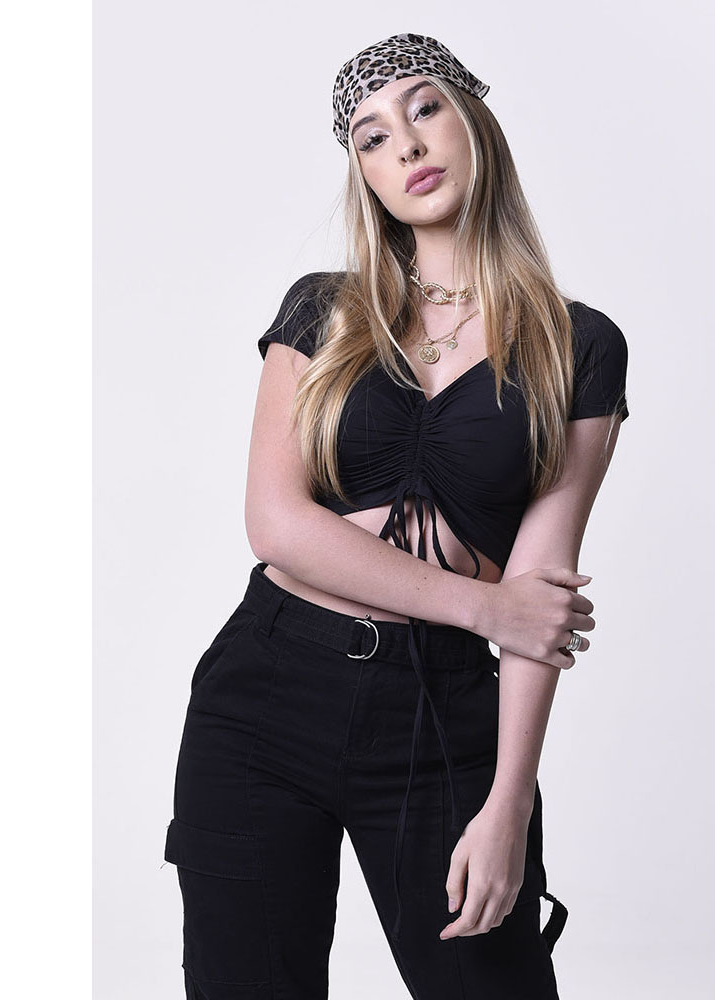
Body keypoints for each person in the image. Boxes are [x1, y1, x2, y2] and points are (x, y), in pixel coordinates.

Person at [163, 32, 630, 1000]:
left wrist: (508, 803)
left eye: (424, 109)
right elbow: (277, 525)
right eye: (371, 138)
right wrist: (485, 608)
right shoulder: (323, 312)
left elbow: (539, 597)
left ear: (473, 121)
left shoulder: (579, 345)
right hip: (265, 690)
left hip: (441, 711)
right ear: (364, 176)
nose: (406, 145)